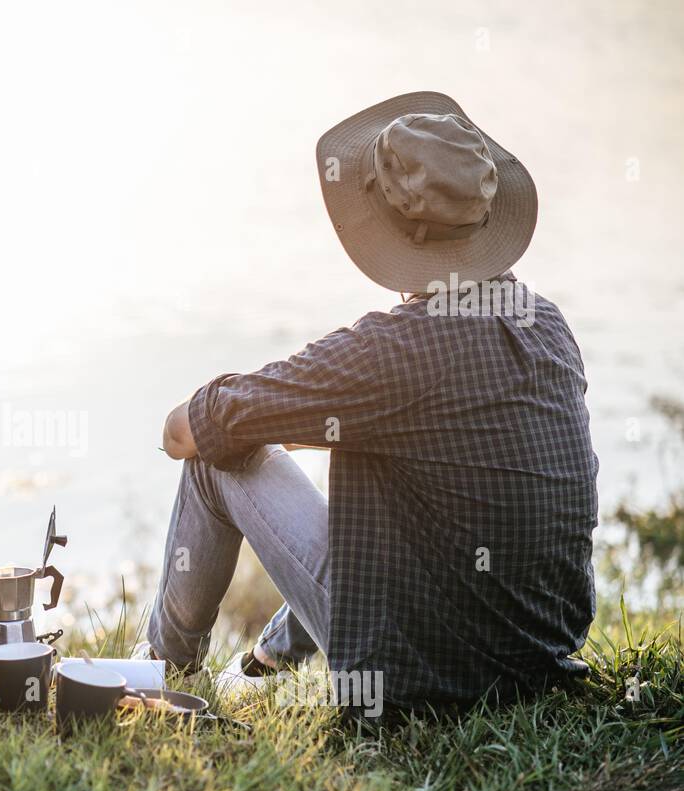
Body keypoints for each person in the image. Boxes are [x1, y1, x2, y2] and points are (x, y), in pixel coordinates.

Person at [147, 92, 598, 715]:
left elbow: (188, 431)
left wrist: (236, 419)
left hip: (420, 677)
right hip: (541, 657)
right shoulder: (546, 325)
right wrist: (300, 420)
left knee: (213, 455)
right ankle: (267, 658)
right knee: (377, 466)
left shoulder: (393, 351)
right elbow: (444, 432)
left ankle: (158, 673)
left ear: (385, 226)